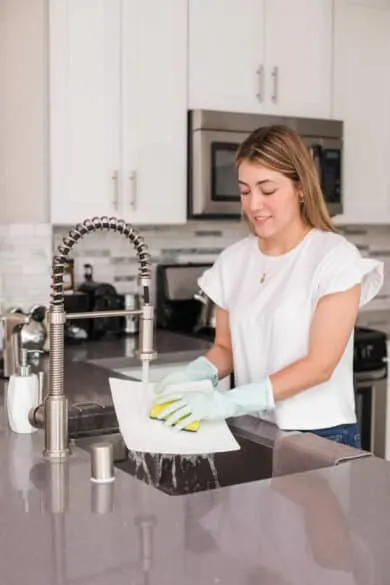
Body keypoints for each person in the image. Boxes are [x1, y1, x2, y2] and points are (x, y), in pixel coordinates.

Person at [153, 125, 383, 448]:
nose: (253, 204)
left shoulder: (335, 258)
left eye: (267, 190)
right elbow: (225, 349)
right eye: (245, 191)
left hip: (322, 437)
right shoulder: (234, 261)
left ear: (300, 187)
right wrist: (196, 373)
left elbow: (320, 366)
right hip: (255, 431)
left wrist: (229, 402)